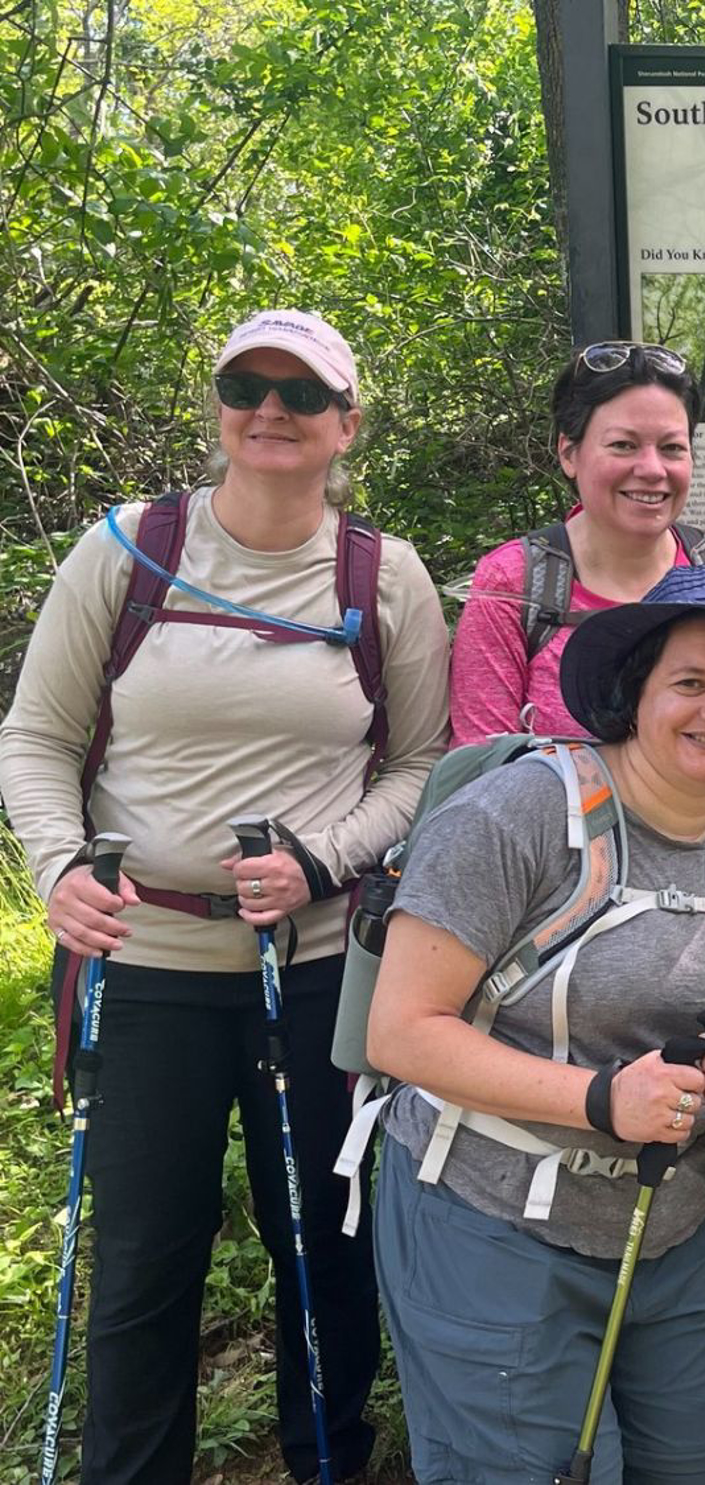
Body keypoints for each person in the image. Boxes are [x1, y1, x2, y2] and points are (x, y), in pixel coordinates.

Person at [0, 309, 451, 1483]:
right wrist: (56, 870)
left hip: (313, 969)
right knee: (148, 1257)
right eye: (246, 385)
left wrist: (320, 857)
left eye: (302, 395)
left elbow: (421, 767)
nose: (270, 410)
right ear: (217, 408)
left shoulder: (383, 575)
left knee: (323, 1252)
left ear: (347, 424)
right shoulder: (126, 550)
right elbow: (38, 737)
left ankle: (329, 1464)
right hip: (140, 964)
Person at [366, 565, 705, 1483]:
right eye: (690, 683)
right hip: (490, 1212)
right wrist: (598, 1096)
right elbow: (403, 1032)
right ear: (634, 694)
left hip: (678, 1224)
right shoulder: (518, 815)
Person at [449, 340, 705, 745]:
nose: (653, 470)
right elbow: (480, 768)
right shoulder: (514, 582)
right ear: (569, 452)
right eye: (624, 445)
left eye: (672, 448)